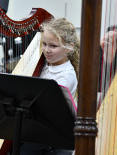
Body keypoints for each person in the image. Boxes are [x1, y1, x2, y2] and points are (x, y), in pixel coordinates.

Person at [20, 17, 80, 155]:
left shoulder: (66, 75)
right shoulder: (46, 63)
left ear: (70, 47)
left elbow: (47, 107)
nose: (47, 50)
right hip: (38, 129)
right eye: (44, 44)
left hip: (52, 133)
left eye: (53, 46)